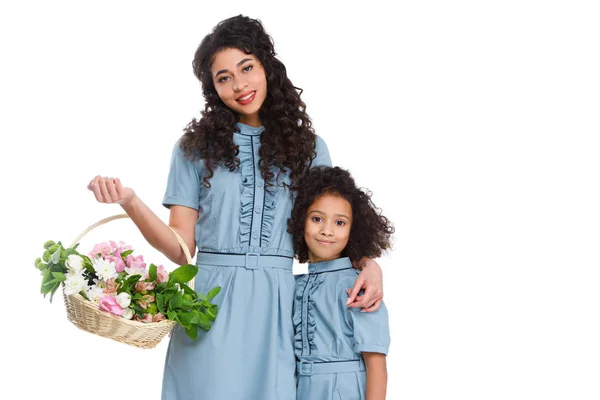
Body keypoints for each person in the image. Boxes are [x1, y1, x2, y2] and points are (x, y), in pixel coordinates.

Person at [87, 15, 384, 400]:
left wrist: (369, 263)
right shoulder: (193, 149)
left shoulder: (311, 149)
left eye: (247, 68)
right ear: (213, 88)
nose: (239, 85)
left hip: (279, 305)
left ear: (266, 66)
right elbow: (181, 248)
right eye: (224, 77)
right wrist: (130, 201)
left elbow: (330, 229)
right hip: (210, 305)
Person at [288, 166, 394, 400]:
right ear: (300, 221)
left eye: (340, 223)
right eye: (317, 219)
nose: (326, 231)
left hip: (342, 390)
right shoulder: (295, 284)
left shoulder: (358, 285)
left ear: (353, 230)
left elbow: (376, 363)